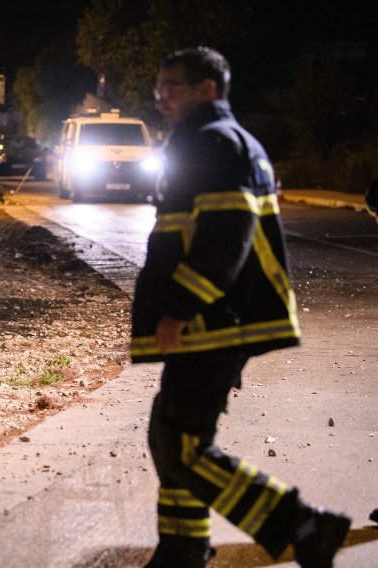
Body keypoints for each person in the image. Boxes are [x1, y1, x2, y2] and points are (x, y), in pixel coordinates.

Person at [131, 47, 351, 567]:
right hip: (214, 322)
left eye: (173, 87)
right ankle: (183, 547)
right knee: (176, 436)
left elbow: (225, 239)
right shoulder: (212, 140)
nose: (161, 97)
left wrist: (179, 309)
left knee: (178, 445)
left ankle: (302, 524)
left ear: (208, 89)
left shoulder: (216, 143)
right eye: (159, 87)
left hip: (214, 322)